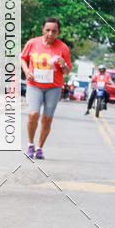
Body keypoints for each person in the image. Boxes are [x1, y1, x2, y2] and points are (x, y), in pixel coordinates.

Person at [20, 17, 72, 159]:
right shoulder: (32, 43)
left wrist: (63, 65)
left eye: (54, 31)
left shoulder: (63, 48)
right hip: (34, 85)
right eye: (47, 30)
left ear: (58, 32)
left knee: (47, 118)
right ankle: (30, 145)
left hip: (53, 87)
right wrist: (26, 71)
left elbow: (67, 71)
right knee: (33, 114)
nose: (50, 33)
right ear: (43, 29)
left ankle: (40, 148)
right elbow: (22, 58)